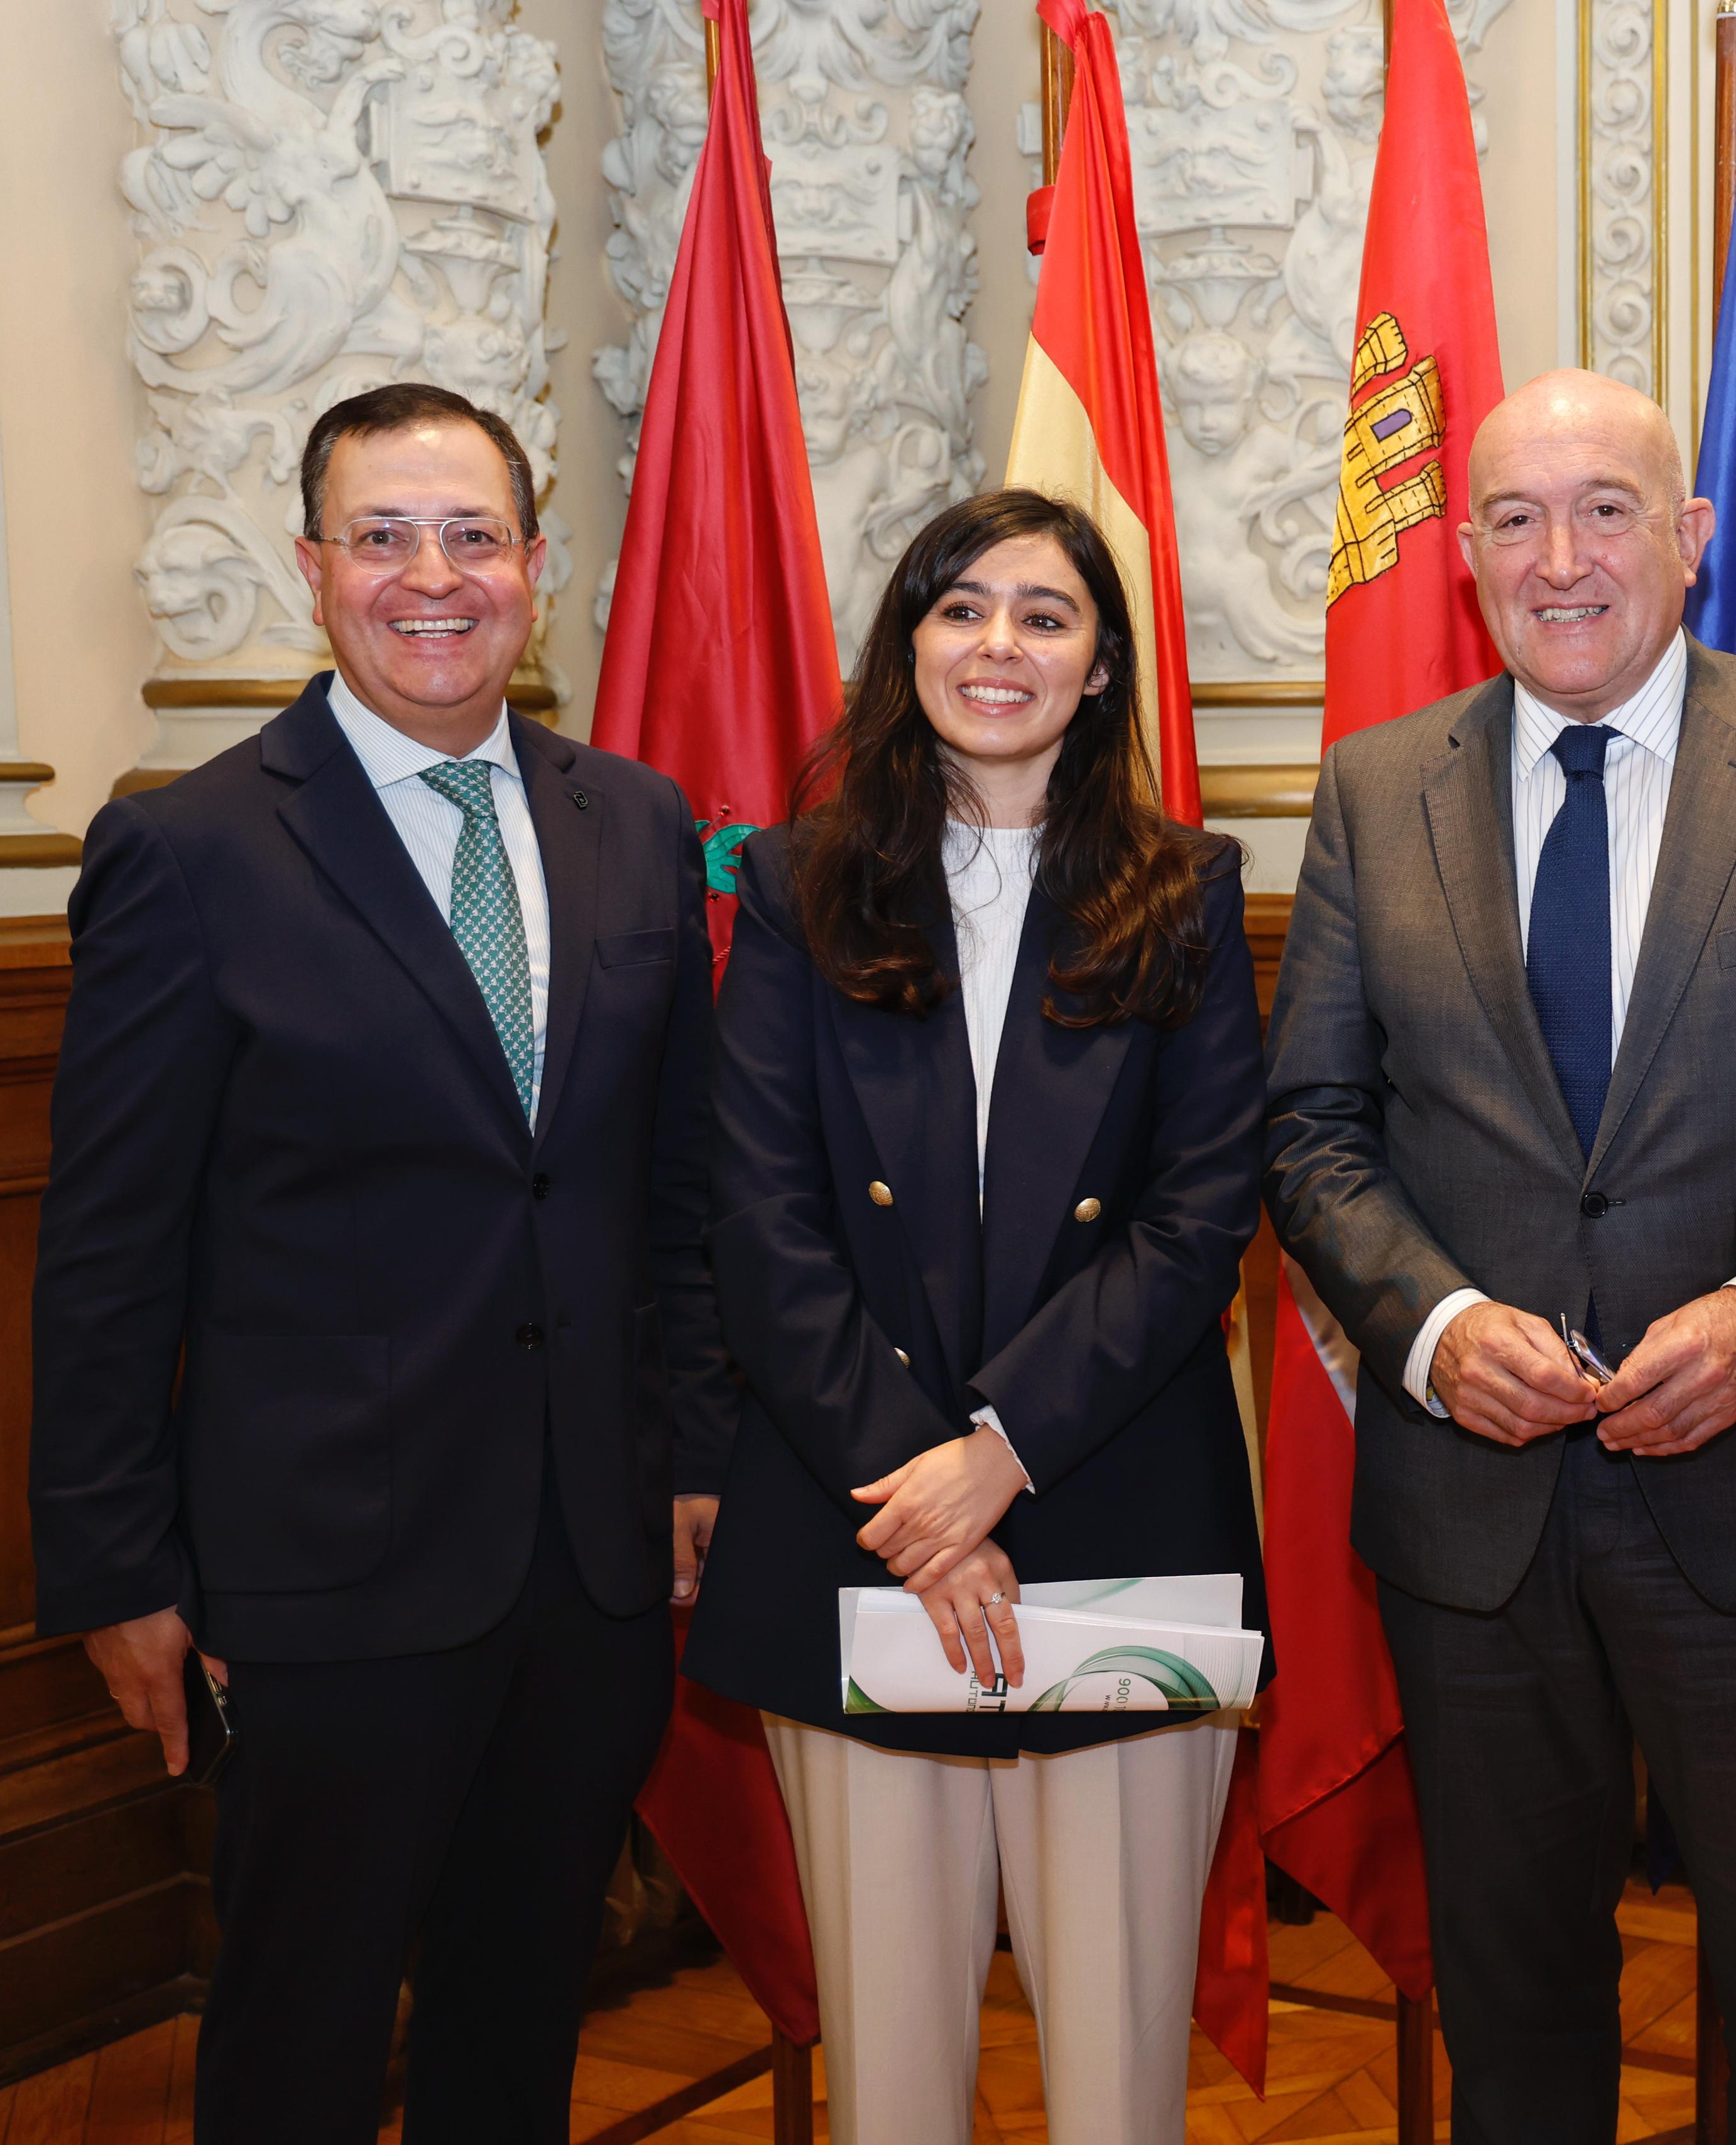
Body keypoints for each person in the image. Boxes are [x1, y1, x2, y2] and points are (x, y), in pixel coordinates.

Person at [1264, 369, 1736, 2141]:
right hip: (1476, 1521)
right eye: (1515, 519)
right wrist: (1433, 1325)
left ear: (1692, 537)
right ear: (1467, 555)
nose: (1561, 558)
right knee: (1514, 2024)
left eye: (1606, 510)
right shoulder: (1375, 791)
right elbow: (1312, 1131)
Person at [27, 382, 734, 2140]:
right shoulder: (190, 851)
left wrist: (696, 1457)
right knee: (303, 2037)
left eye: (472, 535)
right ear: (314, 567)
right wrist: (115, 1566)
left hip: (586, 1564)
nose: (433, 577)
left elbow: (676, 1187)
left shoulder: (637, 822)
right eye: (384, 537)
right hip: (324, 1573)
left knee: (523, 2018)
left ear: (536, 566)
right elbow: (108, 1250)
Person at [679, 488, 1264, 2145]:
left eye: (1045, 615)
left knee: (1119, 2085)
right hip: (858, 1524)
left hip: (1115, 1520)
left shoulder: (1187, 890)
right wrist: (923, 1496)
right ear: (909, 646)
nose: (999, 644)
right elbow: (761, 1223)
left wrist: (998, 1455)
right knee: (891, 2083)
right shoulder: (795, 887)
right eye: (961, 608)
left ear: (1101, 668)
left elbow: (1201, 1216)